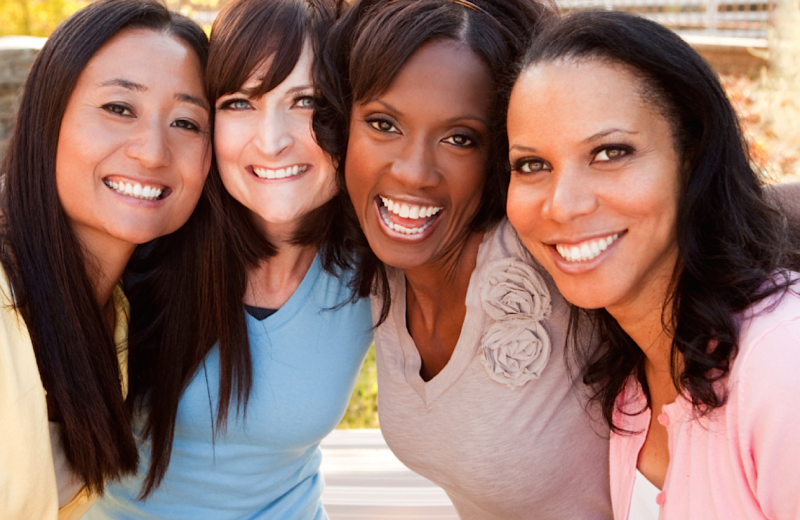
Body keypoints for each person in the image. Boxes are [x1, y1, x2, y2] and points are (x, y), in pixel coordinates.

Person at [314, 1, 612, 518]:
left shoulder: (552, 250)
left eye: (459, 138)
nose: (412, 171)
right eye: (384, 124)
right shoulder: (381, 268)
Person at [506, 11, 800, 520]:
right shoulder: (632, 387)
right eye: (532, 165)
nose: (562, 205)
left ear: (691, 159)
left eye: (610, 152)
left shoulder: (781, 366)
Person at [88, 0, 372, 518]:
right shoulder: (143, 235)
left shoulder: (376, 261)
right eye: (240, 103)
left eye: (307, 101)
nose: (272, 141)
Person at [0, 1, 210, 518]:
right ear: (48, 117)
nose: (154, 152)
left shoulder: (115, 312)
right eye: (119, 108)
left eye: (186, 122)